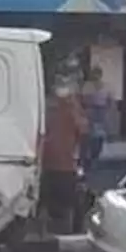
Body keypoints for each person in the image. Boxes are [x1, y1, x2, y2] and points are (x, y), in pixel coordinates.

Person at [40, 79, 88, 236]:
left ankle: (43, 229)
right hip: (65, 164)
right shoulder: (72, 108)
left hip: (46, 161)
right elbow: (82, 129)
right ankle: (74, 229)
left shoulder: (47, 107)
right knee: (73, 199)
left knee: (44, 198)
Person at [80, 66, 112, 172]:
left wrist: (106, 110)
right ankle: (86, 159)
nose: (96, 76)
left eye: (97, 74)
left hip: (101, 112)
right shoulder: (88, 86)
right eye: (94, 74)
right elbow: (84, 99)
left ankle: (94, 158)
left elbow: (109, 100)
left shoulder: (106, 86)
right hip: (91, 111)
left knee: (100, 137)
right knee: (88, 136)